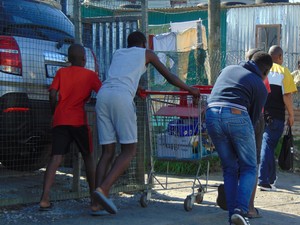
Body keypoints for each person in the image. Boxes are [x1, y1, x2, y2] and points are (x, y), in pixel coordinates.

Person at [91, 31, 200, 215]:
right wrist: (190, 90)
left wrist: (137, 87)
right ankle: (104, 189)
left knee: (107, 152)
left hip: (103, 95)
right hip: (121, 97)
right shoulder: (147, 53)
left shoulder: (118, 53)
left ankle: (95, 204)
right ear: (142, 43)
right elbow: (169, 77)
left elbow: (121, 76)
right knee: (129, 150)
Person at [206, 51, 273, 225]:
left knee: (229, 168)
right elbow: (251, 120)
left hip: (211, 113)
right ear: (266, 72)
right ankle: (241, 210)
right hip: (237, 114)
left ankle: (233, 218)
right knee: (249, 167)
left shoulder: (228, 69)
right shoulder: (259, 85)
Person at [39, 44, 102, 211]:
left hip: (60, 120)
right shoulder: (90, 75)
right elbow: (102, 93)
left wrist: (55, 111)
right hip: (79, 121)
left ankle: (44, 198)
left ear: (68, 59)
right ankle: (94, 200)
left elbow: (52, 93)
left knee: (55, 158)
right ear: (83, 59)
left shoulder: (61, 72)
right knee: (88, 157)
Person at [258, 45, 297, 191]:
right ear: (280, 57)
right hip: (276, 117)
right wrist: (291, 115)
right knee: (267, 146)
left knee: (268, 146)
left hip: (260, 115)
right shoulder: (283, 71)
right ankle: (263, 181)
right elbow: (287, 96)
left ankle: (271, 179)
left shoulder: (260, 71)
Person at [245, 48, 271, 219]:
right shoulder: (262, 78)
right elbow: (262, 100)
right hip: (253, 118)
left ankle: (236, 202)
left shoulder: (236, 72)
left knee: (237, 163)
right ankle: (249, 207)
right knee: (252, 164)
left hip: (233, 117)